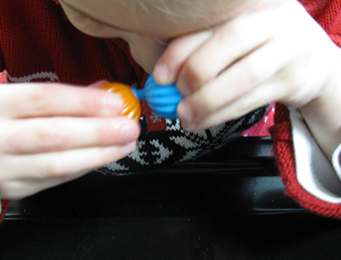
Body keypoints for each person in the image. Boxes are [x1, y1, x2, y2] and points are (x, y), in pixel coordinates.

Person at [1, 0, 341, 221]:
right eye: (95, 21)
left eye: (215, 34)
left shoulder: (318, 14)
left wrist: (325, 84)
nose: (153, 65)